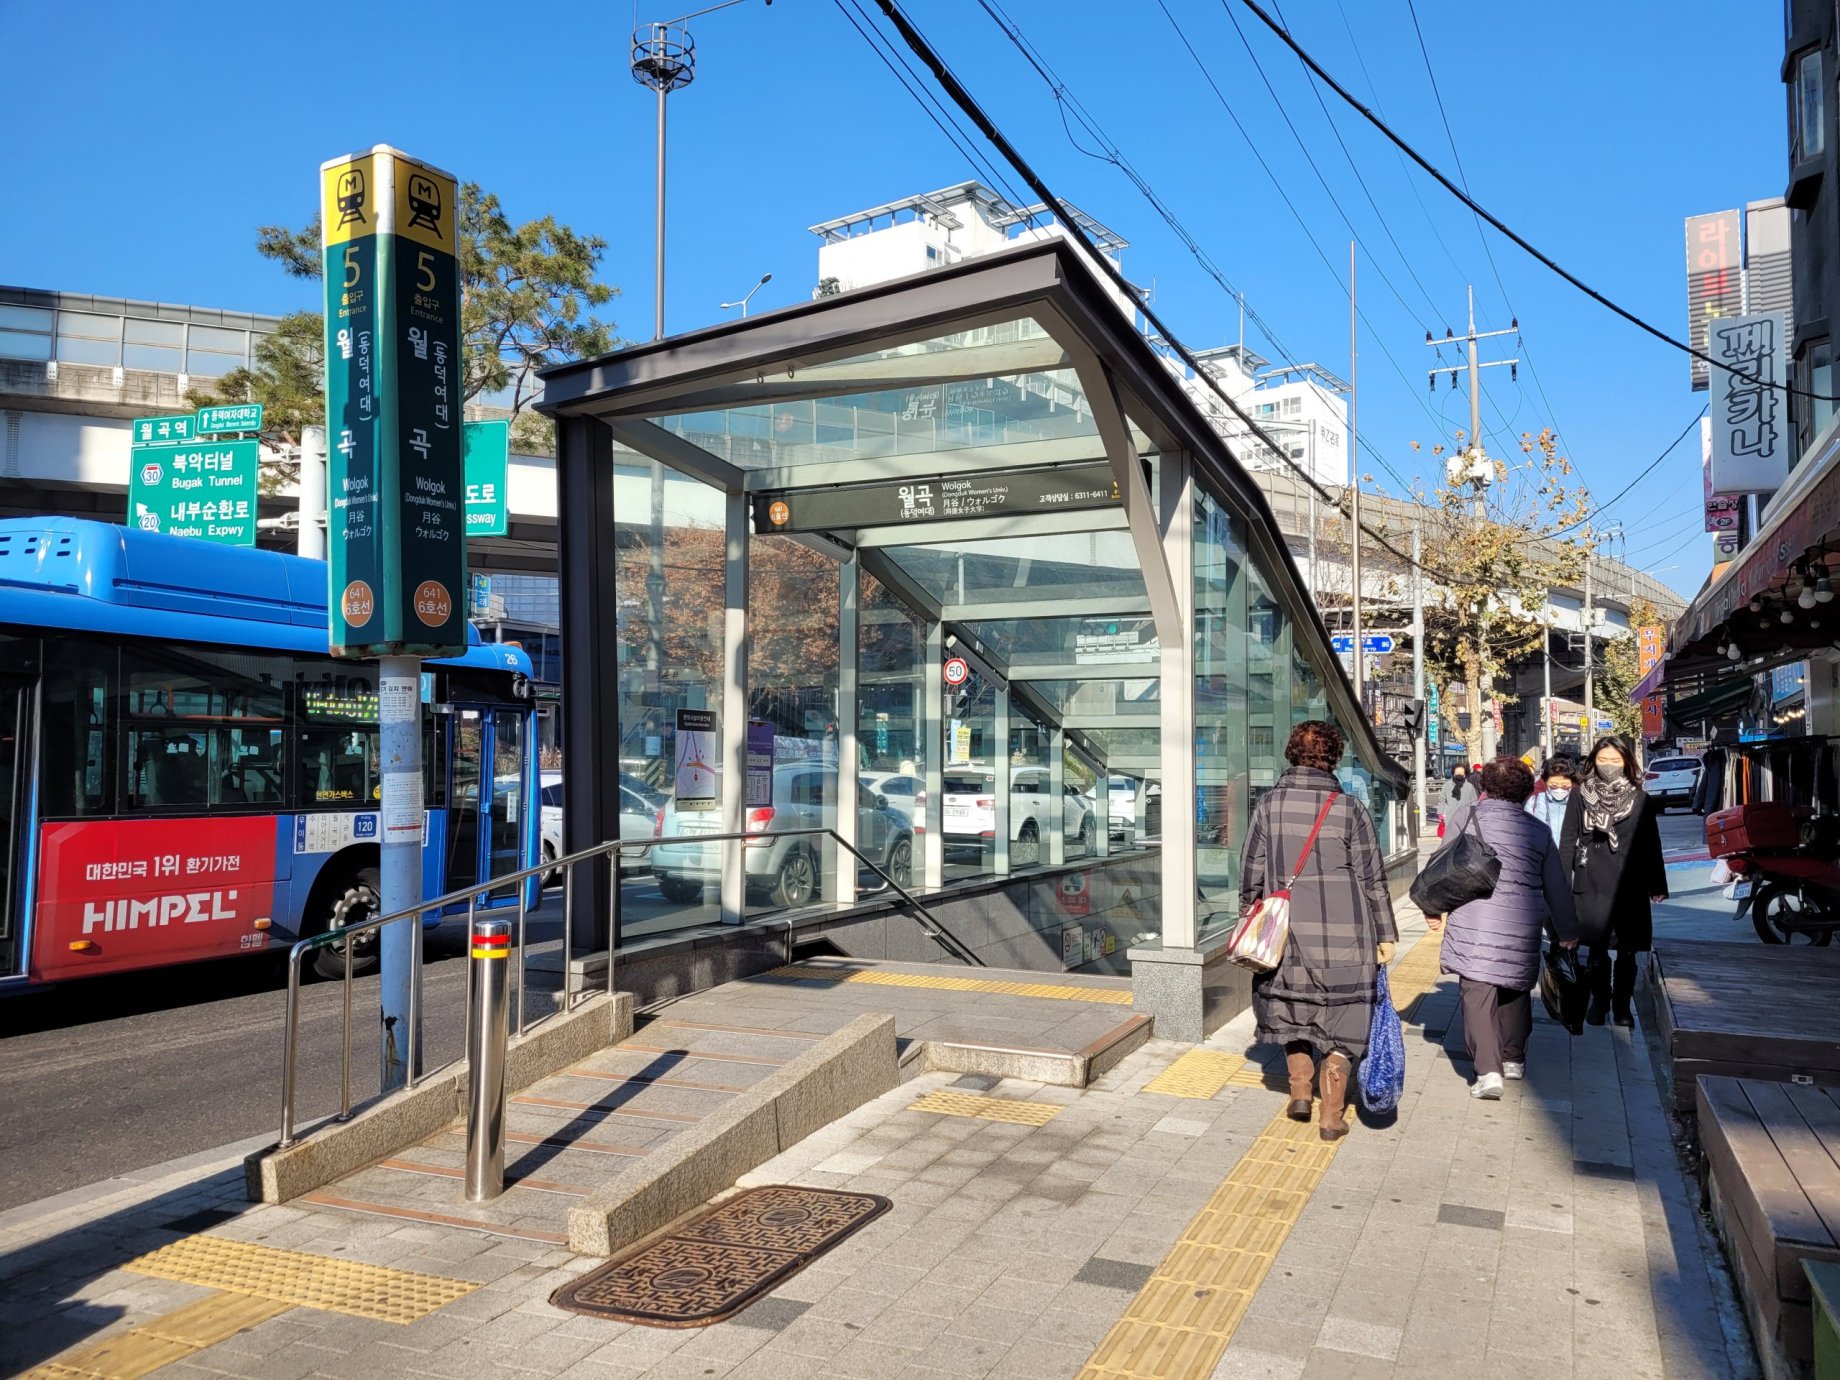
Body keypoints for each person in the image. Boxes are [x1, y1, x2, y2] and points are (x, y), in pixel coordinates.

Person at [1240, 719, 1398, 1142]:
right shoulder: (1349, 809)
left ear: (1292, 754)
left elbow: (1251, 869)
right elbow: (1373, 879)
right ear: (1334, 757)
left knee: (1294, 1012)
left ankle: (1298, 1094)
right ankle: (1332, 1115)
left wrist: (1248, 914)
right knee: (1345, 1017)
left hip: (1285, 932)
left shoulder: (1269, 805)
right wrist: (1386, 933)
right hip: (1347, 935)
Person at [1442, 757, 1581, 1098]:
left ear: (1485, 787)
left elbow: (1443, 865)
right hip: (1522, 921)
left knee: (1478, 992)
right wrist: (1567, 931)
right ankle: (1514, 1059)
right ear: (1525, 791)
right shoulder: (1537, 830)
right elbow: (1557, 886)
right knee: (1516, 987)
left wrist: (1434, 909)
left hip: (1473, 918)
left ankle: (1489, 1072)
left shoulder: (1466, 817)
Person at [1559, 735, 1668, 1028]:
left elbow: (1650, 843)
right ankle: (1600, 1001)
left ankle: (1622, 1007)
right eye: (1602, 760)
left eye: (1615, 761)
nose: (1608, 766)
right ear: (1593, 761)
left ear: (1626, 762)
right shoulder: (1580, 795)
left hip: (1629, 881)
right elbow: (1568, 839)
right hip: (1590, 878)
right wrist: (1560, 882)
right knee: (1596, 947)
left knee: (1627, 949)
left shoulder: (1639, 797)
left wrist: (1657, 884)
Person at [1526, 754, 1576, 841]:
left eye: (1565, 786)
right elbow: (1526, 830)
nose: (1559, 789)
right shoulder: (1535, 802)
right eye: (1554, 785)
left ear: (1572, 783)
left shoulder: (1578, 802)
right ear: (1546, 782)